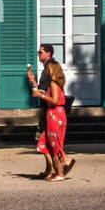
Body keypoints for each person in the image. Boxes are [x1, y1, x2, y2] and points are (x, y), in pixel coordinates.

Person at [27, 44, 75, 179]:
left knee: (46, 140)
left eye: (40, 52)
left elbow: (52, 95)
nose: (38, 54)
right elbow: (44, 89)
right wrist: (34, 83)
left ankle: (57, 167)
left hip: (51, 110)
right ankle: (51, 168)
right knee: (44, 140)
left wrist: (40, 95)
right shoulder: (46, 69)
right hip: (47, 109)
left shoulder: (51, 67)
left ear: (48, 53)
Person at [32, 61, 70, 181]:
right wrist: (44, 93)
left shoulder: (53, 83)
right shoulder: (57, 83)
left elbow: (54, 100)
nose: (46, 71)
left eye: (48, 69)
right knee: (48, 141)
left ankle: (60, 173)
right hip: (56, 114)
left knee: (55, 144)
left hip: (55, 114)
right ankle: (58, 169)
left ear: (52, 70)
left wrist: (40, 96)